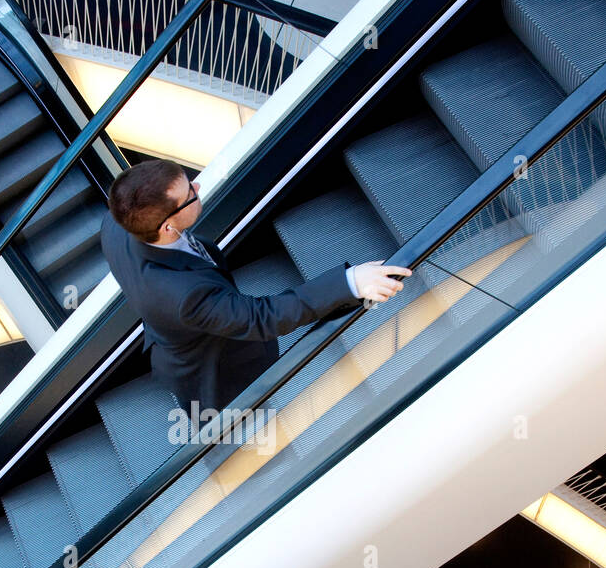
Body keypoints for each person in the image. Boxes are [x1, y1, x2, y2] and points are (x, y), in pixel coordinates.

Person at [101, 158, 411, 416]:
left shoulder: (117, 223)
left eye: (189, 181)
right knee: (235, 421)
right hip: (214, 367)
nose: (198, 187)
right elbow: (260, 317)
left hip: (174, 336)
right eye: (190, 195)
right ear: (167, 227)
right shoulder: (186, 297)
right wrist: (350, 283)